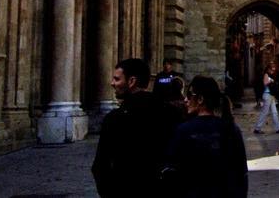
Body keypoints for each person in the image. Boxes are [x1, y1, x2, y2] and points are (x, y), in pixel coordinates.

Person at [92, 58, 181, 197]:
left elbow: (100, 166)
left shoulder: (115, 118)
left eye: (117, 79)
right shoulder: (171, 113)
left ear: (131, 81)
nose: (112, 83)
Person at [162, 76, 248, 197]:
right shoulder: (231, 129)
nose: (186, 99)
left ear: (200, 99)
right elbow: (241, 173)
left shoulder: (184, 131)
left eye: (190, 95)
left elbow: (171, 171)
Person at [252, 63, 279, 134]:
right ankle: (257, 128)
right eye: (272, 68)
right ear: (268, 69)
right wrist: (271, 81)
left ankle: (278, 128)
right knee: (265, 112)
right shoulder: (266, 74)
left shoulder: (271, 75)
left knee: (274, 112)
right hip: (267, 95)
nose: (273, 69)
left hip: (271, 96)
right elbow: (265, 83)